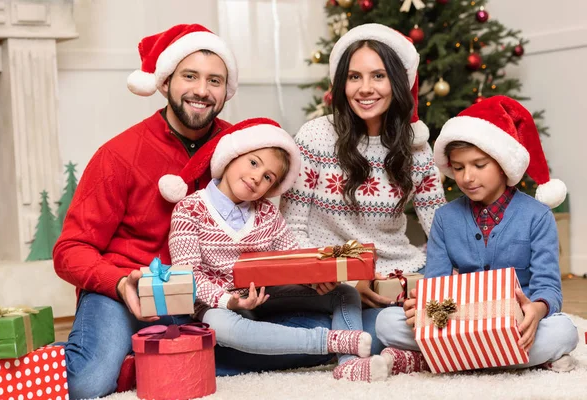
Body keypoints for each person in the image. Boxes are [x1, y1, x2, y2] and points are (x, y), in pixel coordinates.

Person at [53, 24, 330, 400]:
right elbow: (69, 250)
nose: (202, 90)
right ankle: (139, 356)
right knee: (87, 383)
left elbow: (268, 234)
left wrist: (311, 273)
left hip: (210, 296)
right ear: (165, 82)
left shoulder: (247, 148)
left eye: (214, 80)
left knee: (308, 336)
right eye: (190, 76)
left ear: (225, 91)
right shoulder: (118, 155)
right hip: (126, 289)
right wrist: (118, 282)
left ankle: (156, 358)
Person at [167, 118, 390, 382]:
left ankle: (349, 364)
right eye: (253, 163)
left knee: (344, 293)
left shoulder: (267, 213)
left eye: (267, 177)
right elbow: (188, 276)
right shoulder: (189, 209)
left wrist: (315, 279)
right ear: (231, 156)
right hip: (215, 305)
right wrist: (229, 301)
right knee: (221, 328)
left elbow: (293, 257)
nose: (256, 178)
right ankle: (329, 342)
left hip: (265, 295)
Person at [376, 95, 579, 375]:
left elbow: (548, 287)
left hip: (517, 321)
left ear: (503, 162)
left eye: (479, 165)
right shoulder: (445, 219)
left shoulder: (538, 216)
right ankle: (508, 358)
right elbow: (437, 281)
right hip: (458, 320)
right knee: (387, 323)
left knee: (564, 330)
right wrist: (421, 308)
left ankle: (439, 359)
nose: (466, 177)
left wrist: (538, 309)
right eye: (458, 168)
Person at [280, 23, 446, 355]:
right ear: (341, 83)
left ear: (397, 82)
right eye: (354, 77)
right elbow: (292, 228)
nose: (365, 88)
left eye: (378, 76)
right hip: (327, 276)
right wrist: (341, 279)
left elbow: (441, 228)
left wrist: (430, 283)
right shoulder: (315, 137)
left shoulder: (417, 148)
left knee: (399, 322)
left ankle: (364, 337)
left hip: (395, 275)